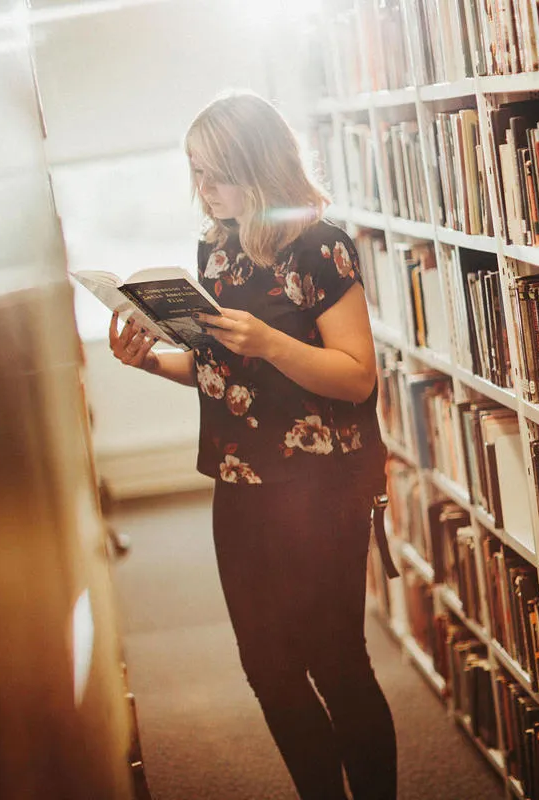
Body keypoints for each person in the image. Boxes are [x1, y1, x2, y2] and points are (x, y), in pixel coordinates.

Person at [108, 91, 396, 800]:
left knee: (335, 662)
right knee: (267, 668)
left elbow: (357, 377)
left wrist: (270, 343)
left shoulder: (319, 245)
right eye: (194, 173)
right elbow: (223, 376)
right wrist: (150, 360)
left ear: (260, 167)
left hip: (325, 482)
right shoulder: (215, 246)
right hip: (240, 479)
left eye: (216, 174)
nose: (203, 191)